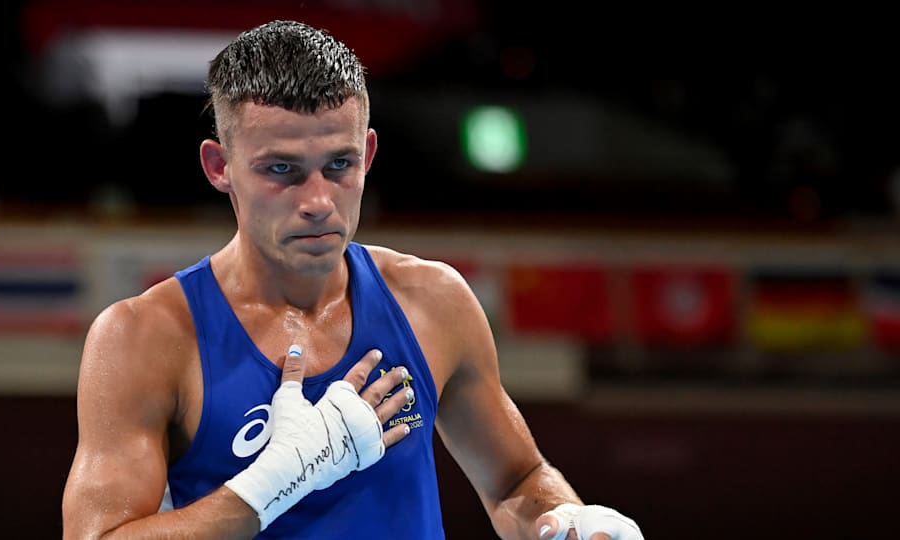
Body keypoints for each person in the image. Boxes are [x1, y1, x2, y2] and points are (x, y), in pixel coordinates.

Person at [61, 19, 644, 540]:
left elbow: (517, 479)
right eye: (281, 170)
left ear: (367, 154)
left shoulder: (431, 302)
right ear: (220, 167)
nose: (317, 201)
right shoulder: (145, 337)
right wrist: (270, 485)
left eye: (338, 165)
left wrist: (565, 519)